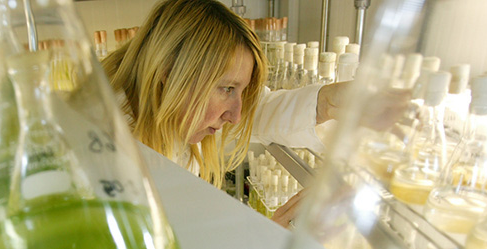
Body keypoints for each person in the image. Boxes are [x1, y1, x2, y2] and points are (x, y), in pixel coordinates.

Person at [101, 0, 408, 227]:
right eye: (226, 88)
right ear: (171, 73)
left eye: (241, 91)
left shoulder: (156, 103)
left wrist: (326, 102)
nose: (235, 115)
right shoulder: (108, 153)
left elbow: (255, 110)